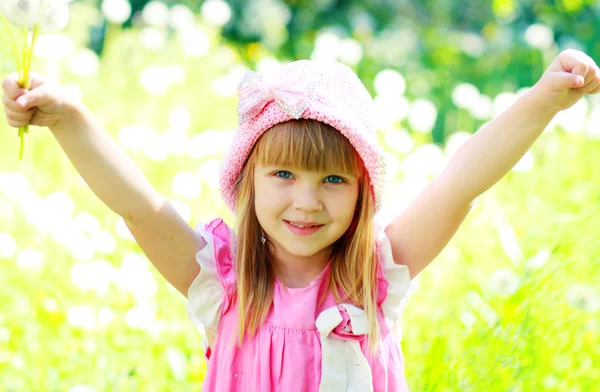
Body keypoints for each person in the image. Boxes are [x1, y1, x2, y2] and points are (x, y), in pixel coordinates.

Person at [2, 49, 599, 391]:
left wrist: (544, 98)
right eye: (283, 175)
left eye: (333, 180)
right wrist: (68, 119)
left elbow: (461, 182)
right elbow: (136, 204)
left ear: (363, 190)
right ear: (248, 182)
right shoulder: (224, 282)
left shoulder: (375, 277)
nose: (307, 203)